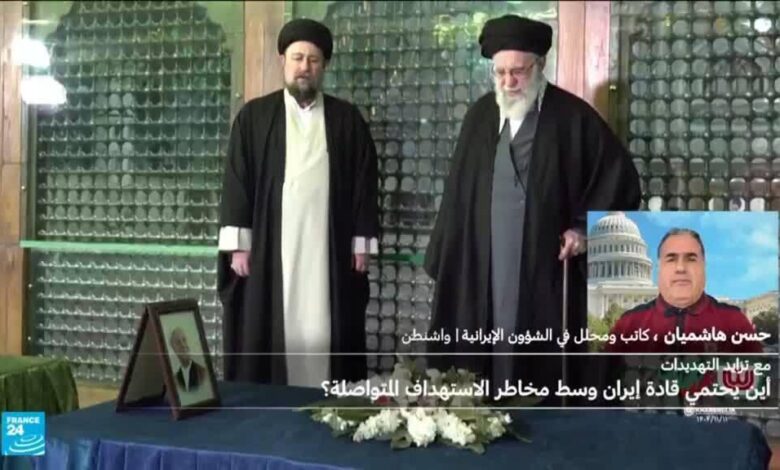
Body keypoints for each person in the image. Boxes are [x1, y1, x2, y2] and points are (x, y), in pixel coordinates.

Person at [423, 15, 641, 399]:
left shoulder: (573, 118)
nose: (508, 82)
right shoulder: (479, 117)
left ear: (540, 66)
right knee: (482, 356)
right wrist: (448, 255)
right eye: (501, 72)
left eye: (518, 72)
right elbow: (457, 197)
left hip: (546, 268)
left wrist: (583, 229)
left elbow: (618, 182)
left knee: (540, 363)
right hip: (484, 261)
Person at [217, 19, 379, 387]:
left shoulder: (346, 119)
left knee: (329, 324)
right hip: (272, 250)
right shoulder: (255, 118)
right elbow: (237, 180)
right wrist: (239, 245)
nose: (305, 67)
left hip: (329, 247)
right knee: (270, 327)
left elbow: (365, 181)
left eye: (313, 60)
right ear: (282, 61)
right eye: (297, 58)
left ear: (324, 66)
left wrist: (362, 241)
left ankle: (326, 397)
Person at [607, 228, 763, 354]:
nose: (680, 268)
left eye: (691, 259)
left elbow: (756, 379)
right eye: (671, 259)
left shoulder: (735, 322)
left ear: (703, 266)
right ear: (659, 268)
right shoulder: (628, 324)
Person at [169, 327, 208, 393]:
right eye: (178, 342)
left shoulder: (203, 373)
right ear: (173, 349)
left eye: (184, 340)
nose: (183, 345)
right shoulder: (175, 379)